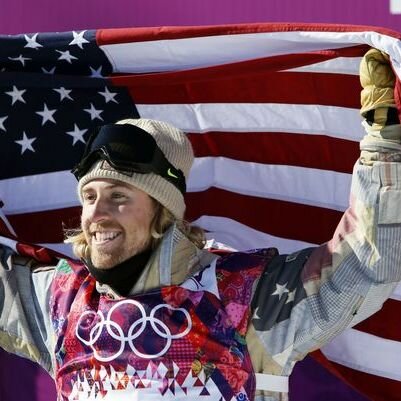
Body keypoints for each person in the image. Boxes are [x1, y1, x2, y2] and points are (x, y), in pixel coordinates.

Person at [1, 48, 401, 401]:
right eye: (90, 198)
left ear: (163, 210)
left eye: (119, 197)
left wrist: (384, 142)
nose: (97, 214)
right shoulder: (60, 300)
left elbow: (366, 263)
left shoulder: (243, 298)